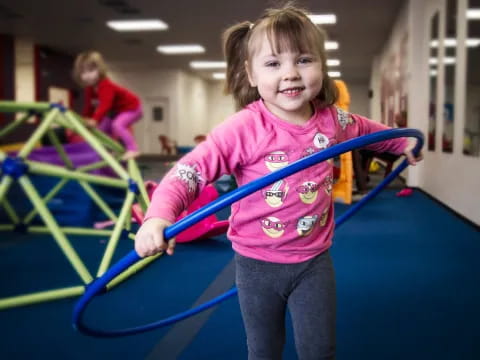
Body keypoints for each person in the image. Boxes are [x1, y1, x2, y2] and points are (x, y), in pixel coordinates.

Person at [135, 5, 422, 359]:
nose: (290, 74)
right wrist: (159, 215)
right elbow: (189, 171)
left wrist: (401, 143)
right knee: (264, 350)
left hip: (314, 260)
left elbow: (365, 130)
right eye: (273, 64)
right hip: (256, 264)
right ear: (251, 74)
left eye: (303, 60)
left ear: (321, 65)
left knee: (319, 351)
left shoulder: (332, 120)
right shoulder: (243, 128)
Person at [73, 51, 142, 160]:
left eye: (91, 70)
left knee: (117, 125)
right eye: (83, 72)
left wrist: (94, 120)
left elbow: (105, 105)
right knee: (101, 130)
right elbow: (89, 107)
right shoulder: (90, 89)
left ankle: (133, 149)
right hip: (114, 111)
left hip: (131, 107)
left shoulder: (105, 85)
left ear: (100, 70)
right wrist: (84, 119)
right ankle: (113, 150)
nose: (87, 75)